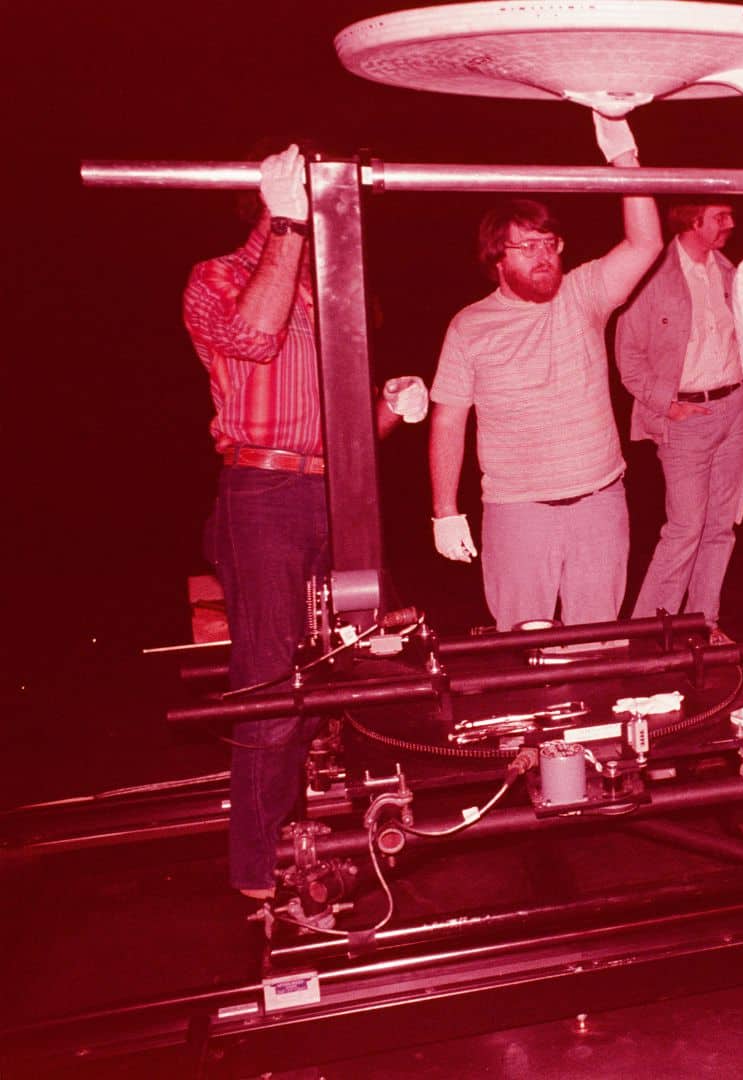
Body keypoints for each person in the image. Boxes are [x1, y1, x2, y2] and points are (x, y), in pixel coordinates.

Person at [183, 143, 429, 899]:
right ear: (270, 197)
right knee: (268, 683)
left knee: (371, 657)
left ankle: (347, 834)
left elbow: (341, 433)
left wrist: (390, 410)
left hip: (340, 494)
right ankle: (256, 872)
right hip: (262, 496)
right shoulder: (216, 277)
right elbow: (254, 337)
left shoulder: (334, 295)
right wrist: (287, 222)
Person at [428, 116, 662, 630]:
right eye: (526, 246)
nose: (543, 255)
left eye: (549, 243)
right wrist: (444, 511)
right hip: (517, 511)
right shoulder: (469, 326)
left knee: (595, 645)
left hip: (600, 502)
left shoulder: (584, 295)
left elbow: (645, 244)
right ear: (496, 260)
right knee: (520, 648)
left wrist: (625, 156)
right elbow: (448, 420)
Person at [617, 202, 743, 627]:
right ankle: (650, 630)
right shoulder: (651, 278)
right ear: (692, 220)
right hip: (687, 418)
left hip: (736, 409)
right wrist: (665, 404)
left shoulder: (732, 273)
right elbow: (628, 356)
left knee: (720, 527)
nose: (731, 224)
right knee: (684, 528)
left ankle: (703, 624)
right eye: (720, 216)